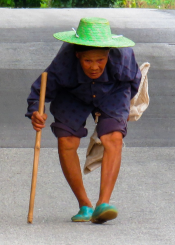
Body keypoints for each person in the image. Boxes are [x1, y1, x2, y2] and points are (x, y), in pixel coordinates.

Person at [26, 17, 141, 224]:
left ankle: (103, 204)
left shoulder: (122, 58)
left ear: (108, 54)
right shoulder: (64, 63)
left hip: (112, 91)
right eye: (88, 61)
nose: (94, 67)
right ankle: (84, 205)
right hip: (72, 94)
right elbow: (39, 92)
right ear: (78, 55)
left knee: (113, 136)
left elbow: (133, 82)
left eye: (100, 60)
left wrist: (116, 115)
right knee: (66, 141)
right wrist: (36, 112)